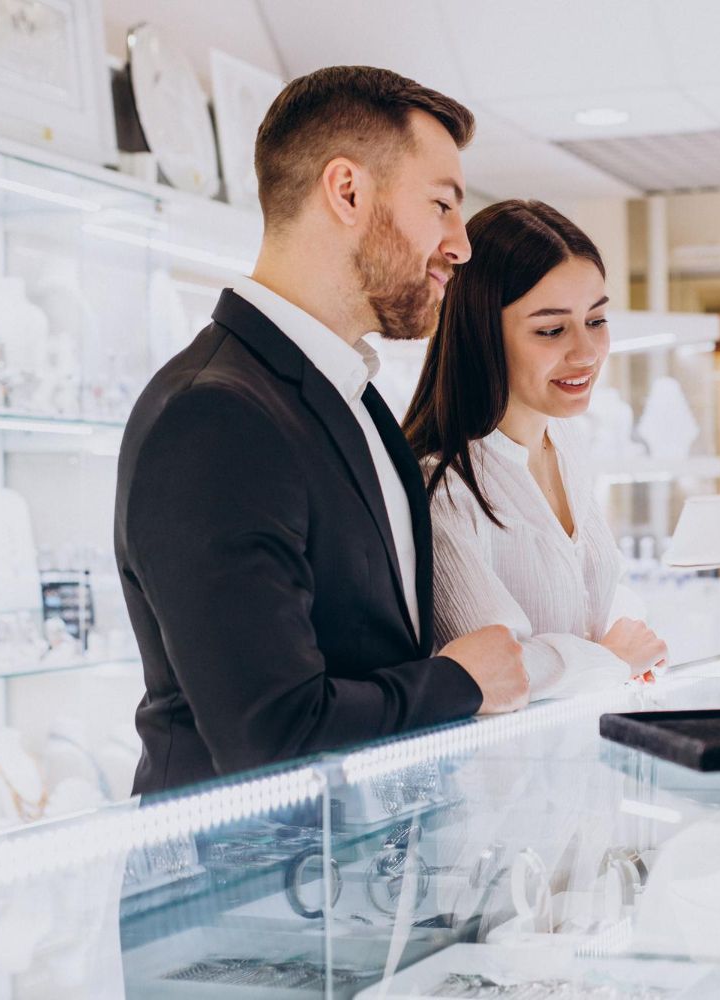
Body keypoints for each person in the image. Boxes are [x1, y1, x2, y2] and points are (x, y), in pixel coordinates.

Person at [115, 67, 528, 796]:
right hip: (244, 897)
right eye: (441, 206)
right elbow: (273, 733)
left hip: (347, 882)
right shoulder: (215, 416)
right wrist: (458, 683)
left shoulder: (354, 399)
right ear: (346, 192)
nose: (460, 246)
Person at [403, 200, 667, 698]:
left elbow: (592, 596)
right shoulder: (443, 485)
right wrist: (611, 661)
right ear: (481, 335)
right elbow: (495, 668)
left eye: (596, 321)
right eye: (551, 330)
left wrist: (626, 639)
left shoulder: (566, 443)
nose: (586, 353)